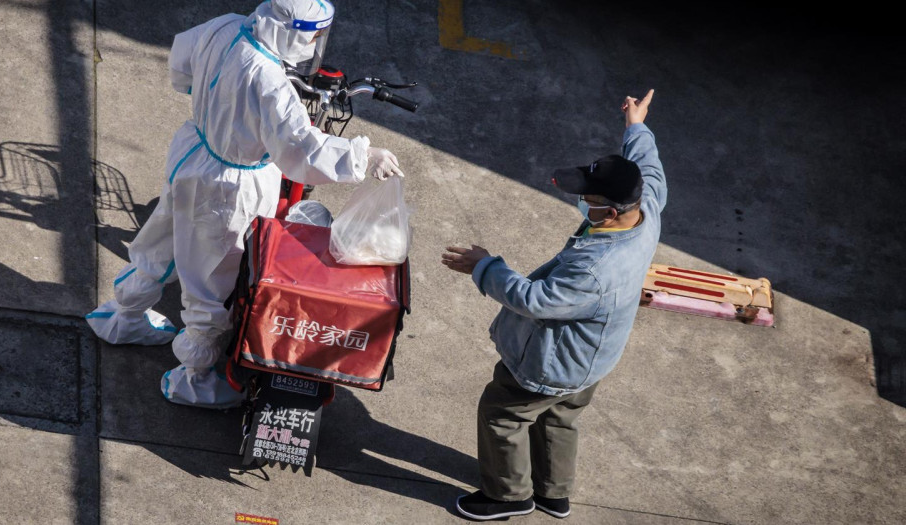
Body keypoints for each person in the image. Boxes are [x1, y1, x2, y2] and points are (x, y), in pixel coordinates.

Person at [87, 0, 404, 409]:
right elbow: (300, 149)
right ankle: (195, 380)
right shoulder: (269, 78)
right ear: (289, 29)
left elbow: (182, 63)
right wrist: (364, 156)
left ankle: (122, 318)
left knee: (162, 240)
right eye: (309, 34)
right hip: (231, 187)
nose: (310, 44)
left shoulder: (227, 25)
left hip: (193, 154)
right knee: (210, 284)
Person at [441, 89, 664, 521]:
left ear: (614, 211)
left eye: (592, 201)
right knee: (561, 416)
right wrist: (636, 126)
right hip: (592, 360)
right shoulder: (647, 208)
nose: (584, 203)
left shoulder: (597, 270)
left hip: (552, 364)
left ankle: (508, 497)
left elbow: (535, 299)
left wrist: (484, 267)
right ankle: (552, 493)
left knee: (502, 413)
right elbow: (650, 168)